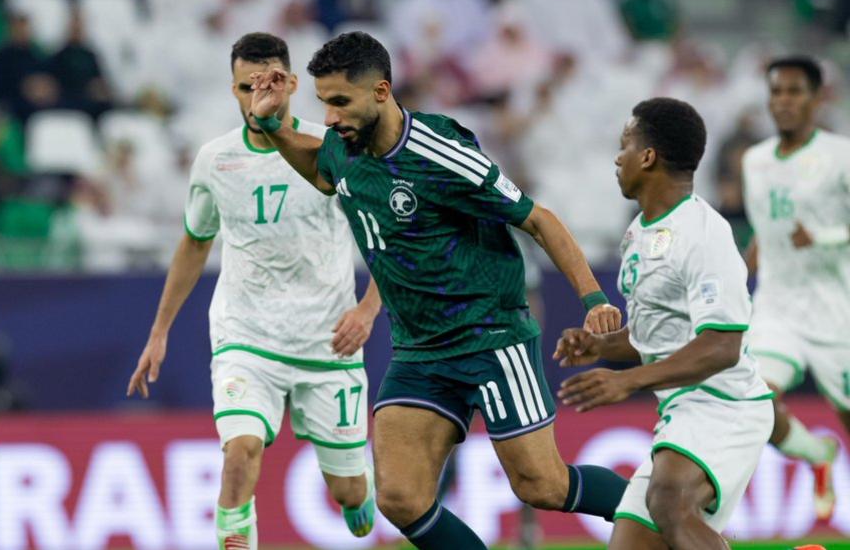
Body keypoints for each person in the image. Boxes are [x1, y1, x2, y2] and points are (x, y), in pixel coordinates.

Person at [250, 32, 626, 548]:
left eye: (340, 102)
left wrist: (594, 298)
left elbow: (538, 219)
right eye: (323, 103)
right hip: (420, 351)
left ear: (381, 91)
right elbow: (320, 170)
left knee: (543, 485)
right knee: (400, 497)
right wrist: (273, 126)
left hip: (491, 337)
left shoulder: (440, 153)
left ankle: (665, 513)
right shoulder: (344, 146)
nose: (330, 118)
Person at [127, 33, 382, 548]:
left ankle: (359, 488)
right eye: (246, 87)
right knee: (240, 452)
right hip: (247, 338)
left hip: (327, 342)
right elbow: (195, 243)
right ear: (234, 89)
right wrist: (159, 331)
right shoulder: (216, 160)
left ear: (292, 84)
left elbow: (391, 236)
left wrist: (368, 310)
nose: (256, 97)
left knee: (349, 493)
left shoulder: (333, 150)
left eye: (268, 84)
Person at [557, 98, 773, 548]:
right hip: (679, 411)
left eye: (625, 145)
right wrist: (601, 346)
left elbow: (722, 346)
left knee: (670, 503)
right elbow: (656, 338)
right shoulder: (639, 233)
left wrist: (628, 381)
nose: (618, 158)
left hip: (724, 405)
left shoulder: (704, 234)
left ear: (648, 156)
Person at [741, 56, 850, 521]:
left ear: (816, 98)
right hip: (777, 307)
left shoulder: (840, 155)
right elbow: (765, 229)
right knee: (754, 403)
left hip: (835, 310)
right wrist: (744, 262)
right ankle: (817, 455)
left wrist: (824, 237)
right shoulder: (755, 161)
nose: (783, 101)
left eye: (794, 91)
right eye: (776, 92)